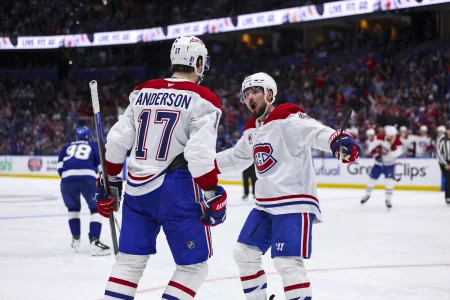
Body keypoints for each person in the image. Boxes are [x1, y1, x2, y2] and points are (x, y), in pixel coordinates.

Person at [96, 36, 227, 300]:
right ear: (198, 62)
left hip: (136, 188)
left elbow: (116, 142)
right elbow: (199, 155)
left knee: (128, 264)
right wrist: (213, 192)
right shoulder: (203, 97)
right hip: (176, 188)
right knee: (193, 267)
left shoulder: (143, 90)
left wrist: (109, 182)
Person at [215, 72, 360, 300]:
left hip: (293, 203)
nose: (250, 97)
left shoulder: (287, 117)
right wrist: (203, 166)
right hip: (264, 206)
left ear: (270, 94)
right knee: (244, 254)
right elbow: (236, 157)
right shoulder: (252, 129)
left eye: (255, 91)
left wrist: (336, 141)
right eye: (246, 94)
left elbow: (315, 131)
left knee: (287, 263)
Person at [57, 126, 110, 256]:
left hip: (67, 180)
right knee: (96, 209)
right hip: (88, 179)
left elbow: (60, 169)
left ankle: (75, 238)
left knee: (73, 209)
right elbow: (101, 168)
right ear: (89, 136)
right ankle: (95, 242)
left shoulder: (66, 147)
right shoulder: (93, 145)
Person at [360, 125, 404, 208]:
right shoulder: (380, 138)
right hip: (378, 164)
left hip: (389, 165)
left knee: (389, 183)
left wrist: (392, 145)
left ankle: (388, 200)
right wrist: (376, 154)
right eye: (389, 135)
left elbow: (394, 155)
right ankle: (367, 195)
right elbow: (371, 148)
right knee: (371, 180)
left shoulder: (398, 143)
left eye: (393, 136)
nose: (391, 137)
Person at [436, 127, 450, 204]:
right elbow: (438, 153)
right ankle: (448, 196)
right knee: (448, 178)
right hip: (443, 161)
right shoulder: (442, 139)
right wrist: (445, 163)